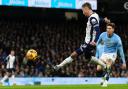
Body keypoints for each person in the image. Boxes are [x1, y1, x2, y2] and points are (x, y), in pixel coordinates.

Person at [54, 2, 109, 70]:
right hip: (89, 41)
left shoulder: (92, 18)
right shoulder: (95, 15)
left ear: (86, 9)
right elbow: (98, 20)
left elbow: (97, 30)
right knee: (88, 58)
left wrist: (94, 41)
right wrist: (104, 20)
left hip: (89, 42)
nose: (83, 12)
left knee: (74, 54)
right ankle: (104, 66)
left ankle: (59, 66)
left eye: (83, 10)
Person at [91, 23, 126, 87]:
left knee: (108, 64)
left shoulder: (117, 39)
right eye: (107, 28)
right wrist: (94, 44)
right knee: (98, 68)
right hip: (104, 53)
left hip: (112, 54)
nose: (108, 30)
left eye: (110, 28)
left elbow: (121, 51)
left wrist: (124, 62)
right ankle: (104, 76)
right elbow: (98, 43)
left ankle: (106, 82)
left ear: (113, 29)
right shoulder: (102, 35)